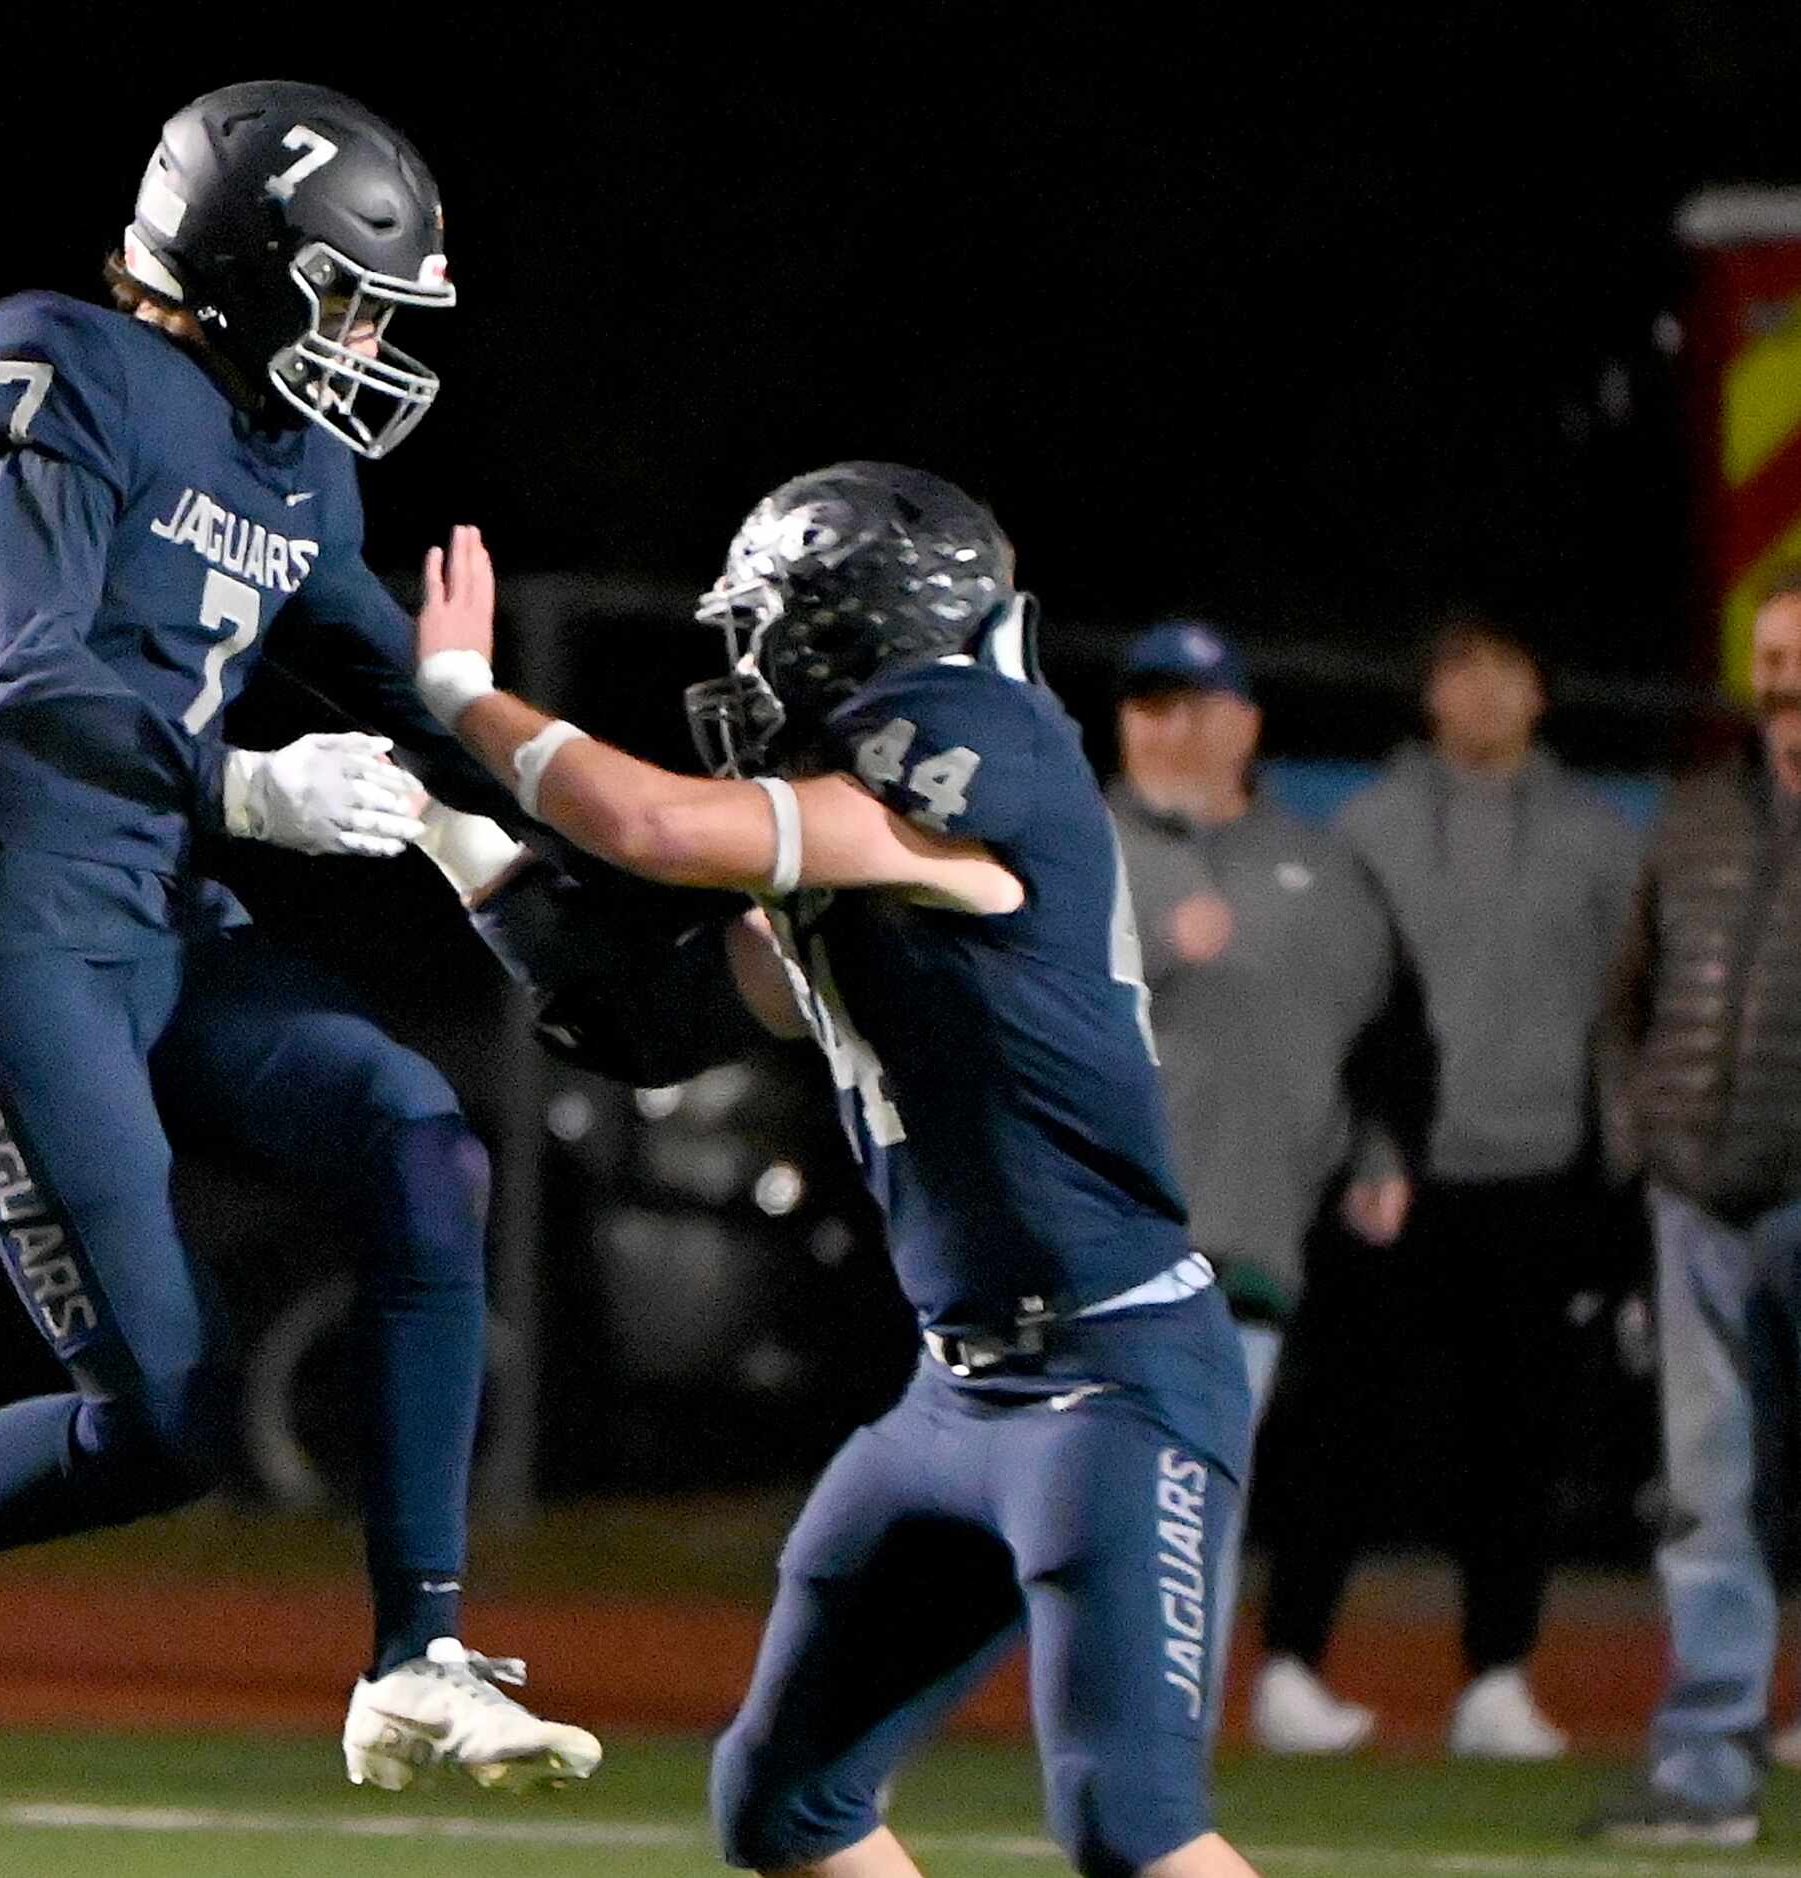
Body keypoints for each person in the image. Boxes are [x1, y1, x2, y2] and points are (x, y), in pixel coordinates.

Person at [0, 80, 600, 1795]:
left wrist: (532, 800)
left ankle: (416, 1652)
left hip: (162, 919)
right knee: (169, 1427)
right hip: (10, 915)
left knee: (420, 1140)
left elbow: (382, 666)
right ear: (245, 263)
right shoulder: (61, 360)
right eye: (341, 291)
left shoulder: (294, 455)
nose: (364, 340)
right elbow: (21, 671)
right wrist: (246, 789)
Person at [410, 465, 1261, 1878]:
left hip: (1115, 1378)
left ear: (851, 622)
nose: (743, 660)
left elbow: (660, 828)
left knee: (1131, 1820)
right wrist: (445, 830)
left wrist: (462, 692)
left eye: (767, 623)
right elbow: (647, 1016)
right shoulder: (866, 852)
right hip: (959, 1388)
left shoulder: (977, 751)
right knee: (784, 1800)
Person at [1103, 623, 1435, 1757]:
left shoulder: (1324, 869)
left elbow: (1381, 1038)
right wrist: (1148, 942)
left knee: (1198, 1506)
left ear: (1243, 722)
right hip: (1080, 1242)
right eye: (1146, 703)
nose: (1163, 726)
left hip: (1250, 1239)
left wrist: (1381, 1154)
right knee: (1042, 1501)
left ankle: (1164, 1745)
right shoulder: (1070, 846)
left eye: (1189, 704)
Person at [1333, 616, 1638, 1761]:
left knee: (1516, 1447)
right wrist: (1361, 1148)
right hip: (1393, 1181)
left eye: (1510, 670)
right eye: (1462, 671)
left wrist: (1616, 1175)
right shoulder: (1366, 827)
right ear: (1429, 696)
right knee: (1346, 1430)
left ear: (1542, 693)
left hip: (1539, 1180)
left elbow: (1624, 1017)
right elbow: (1343, 1007)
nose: (1487, 694)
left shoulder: (1600, 838)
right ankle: (1293, 1670)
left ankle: (1497, 1678)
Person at [1584, 572, 1801, 1847]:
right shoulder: (1701, 815)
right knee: (1708, 1498)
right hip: (1699, 1208)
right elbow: (1628, 998)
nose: (1782, 680)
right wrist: (1646, 1139)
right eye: (1772, 655)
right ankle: (1709, 1770)